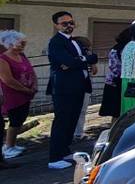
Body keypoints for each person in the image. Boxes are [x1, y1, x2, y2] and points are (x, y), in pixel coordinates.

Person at [46, 10, 98, 170]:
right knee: (62, 121)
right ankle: (54, 157)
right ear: (56, 25)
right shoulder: (56, 42)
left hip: (79, 86)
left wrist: (79, 60)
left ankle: (64, 150)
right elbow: (68, 61)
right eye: (64, 23)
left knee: (72, 120)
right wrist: (80, 60)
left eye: (71, 22)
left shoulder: (75, 41)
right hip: (64, 88)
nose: (69, 26)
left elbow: (92, 57)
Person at [0, 30, 37, 160]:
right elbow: (7, 80)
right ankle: (8, 146)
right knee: (15, 119)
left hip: (26, 92)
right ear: (10, 44)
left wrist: (34, 86)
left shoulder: (23, 55)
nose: (23, 45)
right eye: (20, 43)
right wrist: (26, 90)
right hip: (13, 94)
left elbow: (31, 71)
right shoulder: (2, 59)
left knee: (21, 117)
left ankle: (13, 144)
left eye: (24, 43)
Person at [99, 27, 132, 122]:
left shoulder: (115, 47)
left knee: (116, 113)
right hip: (119, 83)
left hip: (112, 82)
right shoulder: (126, 49)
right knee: (119, 112)